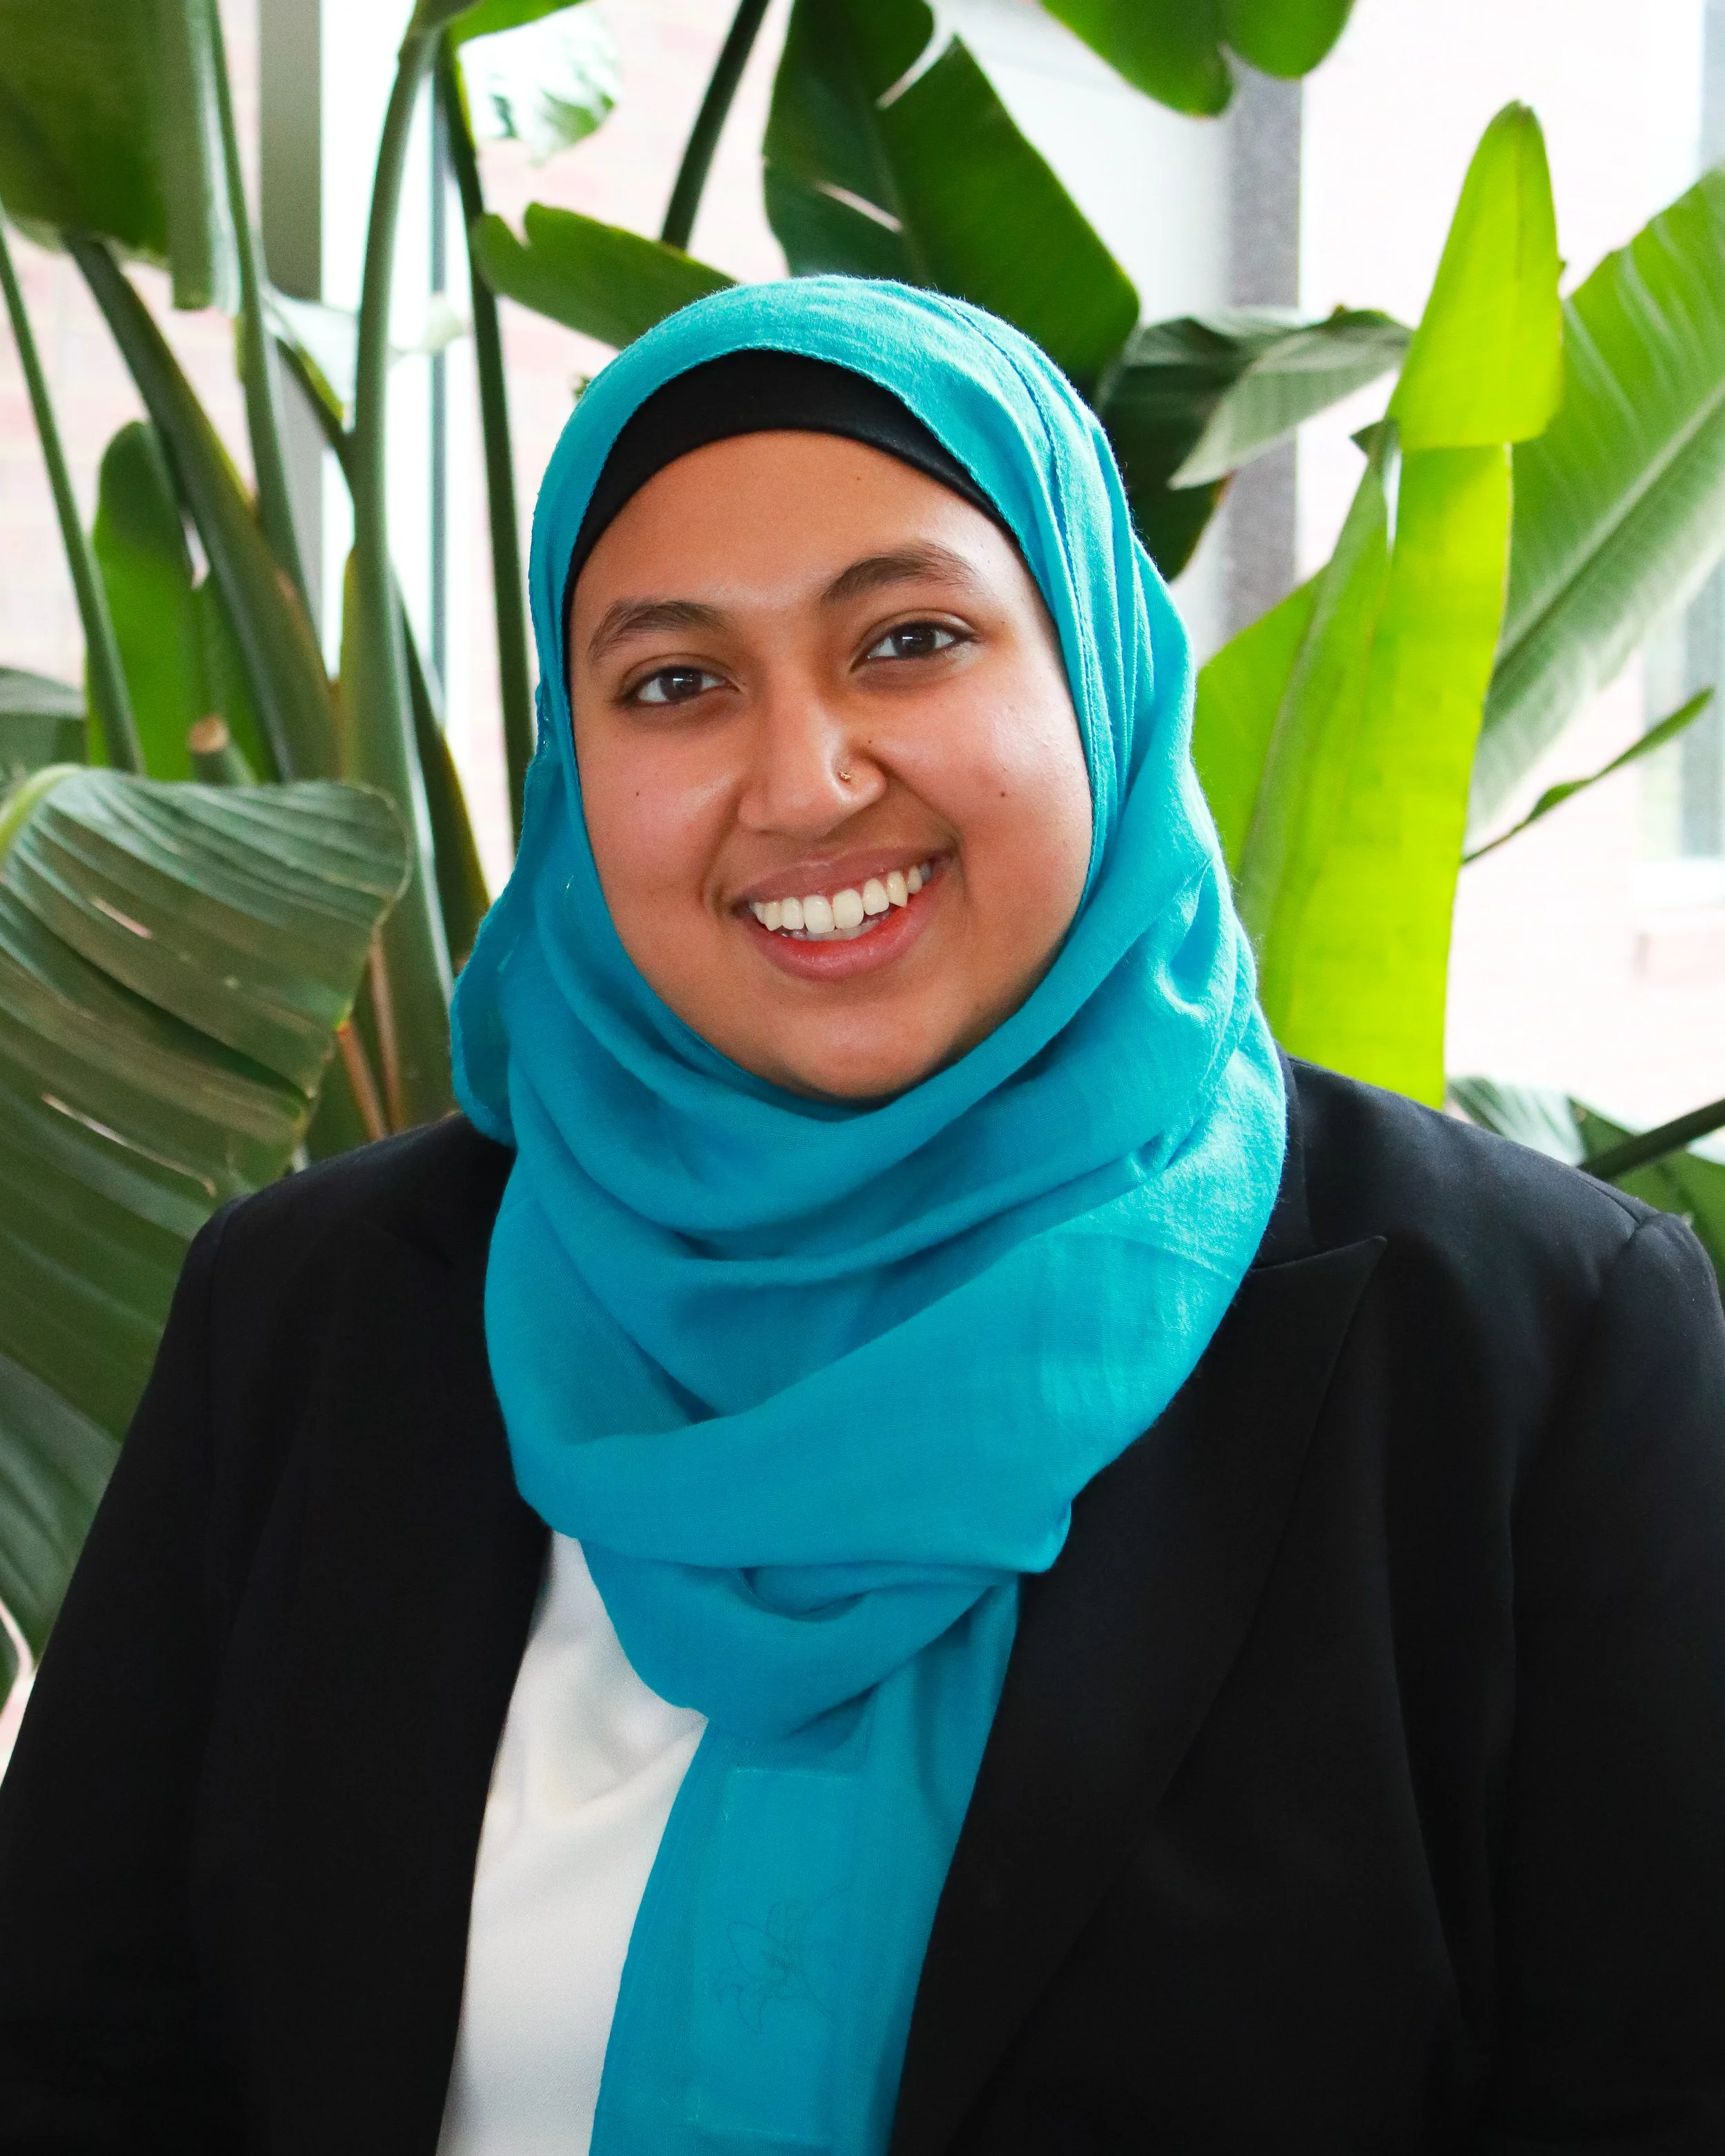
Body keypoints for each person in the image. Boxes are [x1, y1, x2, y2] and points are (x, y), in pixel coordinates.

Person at [0, 277, 1722, 2156]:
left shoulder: (1529, 1345)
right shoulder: (326, 1313)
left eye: (907, 641)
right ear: (575, 766)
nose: (804, 782)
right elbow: (82, 2058)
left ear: (1093, 665)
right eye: (674, 682)